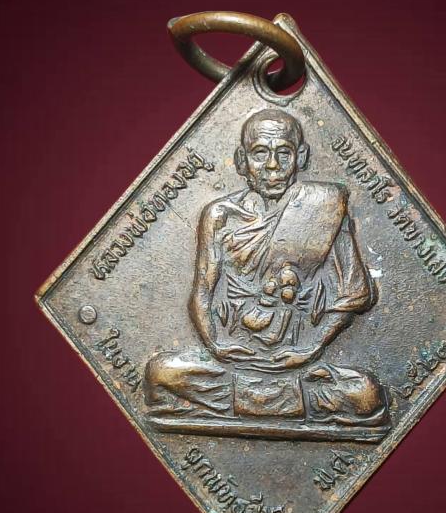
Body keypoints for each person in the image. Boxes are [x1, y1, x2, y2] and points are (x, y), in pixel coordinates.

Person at [144, 109, 390, 435]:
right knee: (159, 374)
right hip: (233, 360)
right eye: (260, 153)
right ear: (241, 160)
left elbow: (353, 295)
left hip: (300, 363)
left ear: (301, 157)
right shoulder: (219, 215)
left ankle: (244, 404)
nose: (272, 166)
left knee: (366, 395)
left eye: (283, 153)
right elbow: (202, 291)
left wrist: (310, 348)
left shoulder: (325, 207)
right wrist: (216, 345)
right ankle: (283, 405)